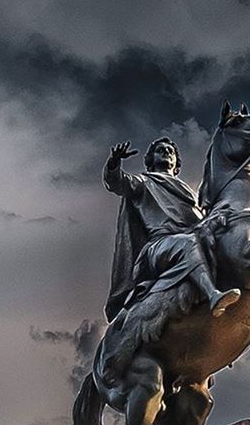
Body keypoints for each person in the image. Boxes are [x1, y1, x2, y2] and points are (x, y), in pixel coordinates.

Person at [102, 137, 240, 321]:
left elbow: (200, 224)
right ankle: (213, 295)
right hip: (158, 247)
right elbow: (117, 182)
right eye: (161, 150)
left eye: (170, 151)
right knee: (187, 243)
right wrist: (114, 162)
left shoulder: (188, 192)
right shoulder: (143, 182)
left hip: (189, 239)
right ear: (151, 161)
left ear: (176, 164)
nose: (166, 152)